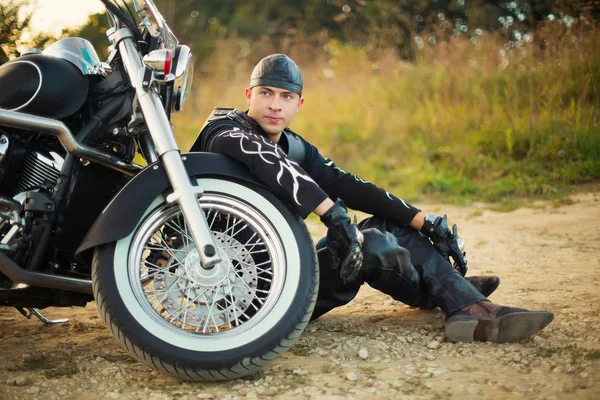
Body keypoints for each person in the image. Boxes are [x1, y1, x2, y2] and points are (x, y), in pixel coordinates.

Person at [190, 54, 553, 343]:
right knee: (372, 244)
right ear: (248, 96)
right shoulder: (223, 130)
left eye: (285, 97)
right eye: (265, 93)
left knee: (388, 225)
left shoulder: (294, 146)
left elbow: (349, 185)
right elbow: (264, 160)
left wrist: (424, 221)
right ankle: (447, 291)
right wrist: (333, 216)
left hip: (288, 276)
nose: (275, 105)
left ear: (299, 103)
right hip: (240, 296)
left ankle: (459, 299)